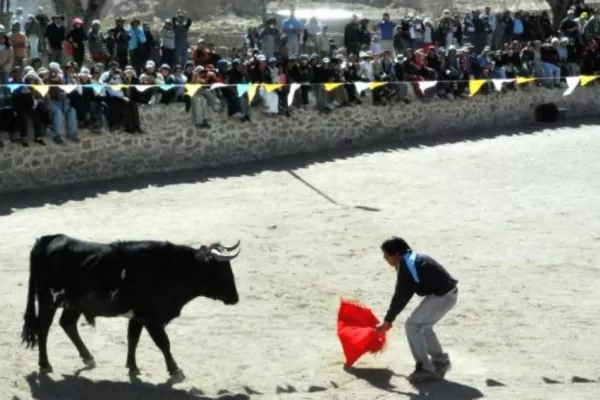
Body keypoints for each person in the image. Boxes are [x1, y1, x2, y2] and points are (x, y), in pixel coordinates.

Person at [376, 236, 458, 383]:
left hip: (442, 297)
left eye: (386, 255)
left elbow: (401, 295)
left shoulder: (407, 265)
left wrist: (388, 320)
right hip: (446, 295)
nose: (384, 258)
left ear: (396, 254)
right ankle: (440, 362)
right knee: (423, 326)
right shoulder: (411, 258)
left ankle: (425, 368)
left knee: (412, 325)